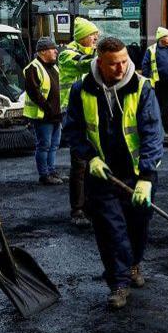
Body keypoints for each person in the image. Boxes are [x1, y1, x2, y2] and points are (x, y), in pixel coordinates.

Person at [62, 37, 163, 310]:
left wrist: (146, 177)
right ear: (99, 62)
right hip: (103, 175)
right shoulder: (81, 89)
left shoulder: (142, 88)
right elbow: (72, 130)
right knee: (110, 230)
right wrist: (90, 157)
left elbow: (153, 134)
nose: (120, 68)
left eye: (124, 62)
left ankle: (133, 263)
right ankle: (118, 283)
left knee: (138, 225)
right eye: (113, 64)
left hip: (136, 173)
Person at [57, 18, 100, 226]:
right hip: (73, 112)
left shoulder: (88, 51)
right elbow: (85, 63)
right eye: (93, 34)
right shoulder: (66, 54)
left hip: (90, 111)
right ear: (82, 36)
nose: (96, 38)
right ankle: (78, 210)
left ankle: (90, 205)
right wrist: (103, 52)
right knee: (80, 163)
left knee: (94, 161)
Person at [24, 37, 63, 185]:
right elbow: (34, 93)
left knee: (54, 145)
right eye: (52, 49)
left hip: (55, 115)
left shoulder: (53, 67)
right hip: (43, 116)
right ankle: (44, 174)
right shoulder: (33, 68)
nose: (56, 51)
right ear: (42, 51)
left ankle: (51, 171)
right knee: (44, 145)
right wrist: (48, 108)